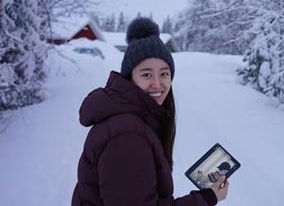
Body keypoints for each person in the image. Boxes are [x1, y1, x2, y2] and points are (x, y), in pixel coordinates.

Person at [72, 17, 229, 206]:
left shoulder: (133, 120)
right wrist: (206, 198)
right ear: (130, 77)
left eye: (164, 73)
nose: (157, 83)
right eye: (146, 74)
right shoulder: (127, 135)